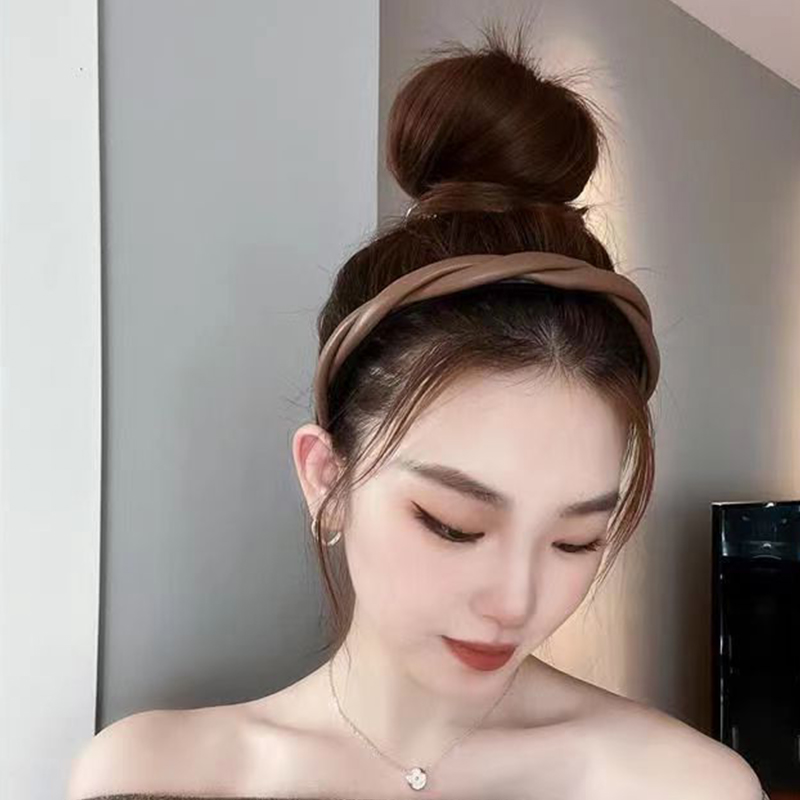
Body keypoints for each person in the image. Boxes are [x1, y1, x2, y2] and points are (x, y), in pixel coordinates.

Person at [68, 20, 768, 800]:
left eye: (575, 541)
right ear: (327, 479)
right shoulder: (153, 775)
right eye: (452, 524)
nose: (515, 601)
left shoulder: (683, 785)